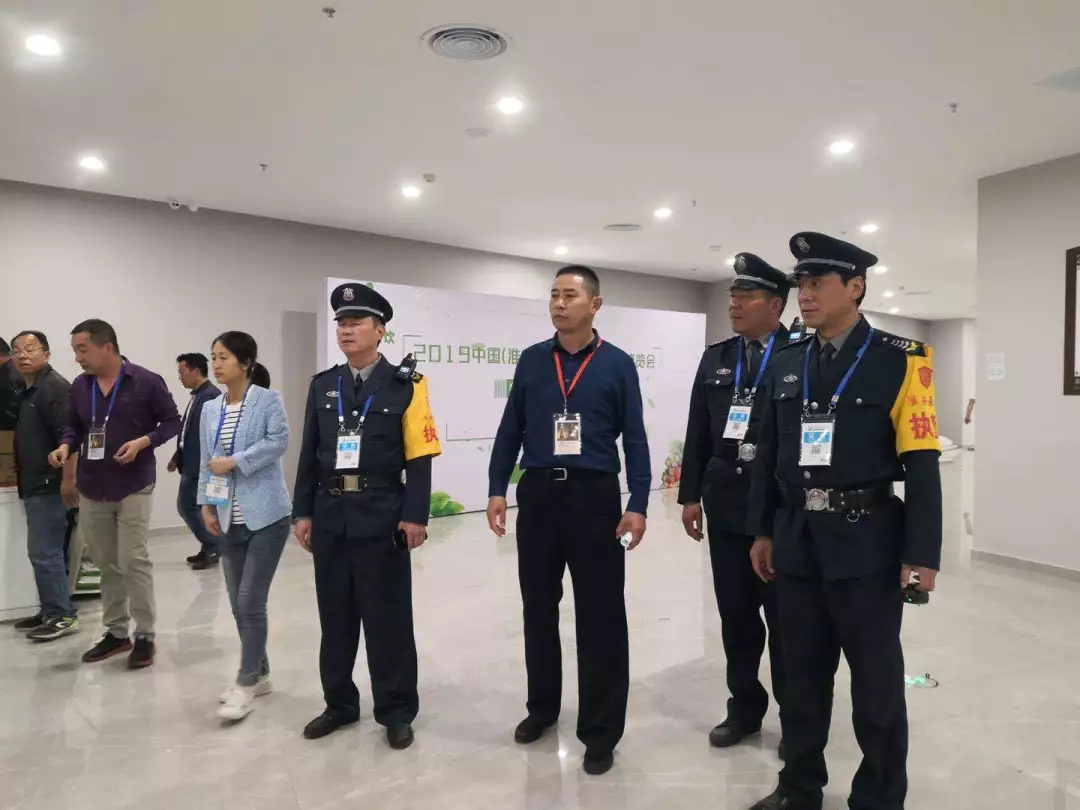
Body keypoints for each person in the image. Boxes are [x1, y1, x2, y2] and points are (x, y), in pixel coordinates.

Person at [746, 232, 942, 810]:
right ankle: (799, 788)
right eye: (800, 285)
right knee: (800, 680)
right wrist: (763, 530)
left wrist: (922, 556)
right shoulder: (787, 361)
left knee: (876, 687)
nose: (804, 295)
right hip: (797, 541)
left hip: (868, 545)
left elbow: (922, 464)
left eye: (817, 283)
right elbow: (767, 454)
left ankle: (879, 797)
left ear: (855, 287)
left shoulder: (902, 360)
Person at [486, 265, 651, 776]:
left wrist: (638, 501)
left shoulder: (617, 364)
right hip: (538, 493)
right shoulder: (533, 360)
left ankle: (600, 731)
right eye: (554, 295)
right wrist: (497, 487)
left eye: (570, 295)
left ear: (594, 305)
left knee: (601, 615)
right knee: (537, 607)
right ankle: (542, 708)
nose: (559, 303)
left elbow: (636, 436)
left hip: (594, 497)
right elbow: (510, 427)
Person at [292, 283, 441, 749]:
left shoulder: (407, 385)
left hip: (382, 516)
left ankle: (396, 710)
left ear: (380, 331)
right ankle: (339, 704)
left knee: (387, 619)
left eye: (356, 322)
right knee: (335, 618)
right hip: (330, 516)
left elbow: (420, 457)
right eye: (341, 322)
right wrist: (302, 511)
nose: (346, 329)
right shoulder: (323, 385)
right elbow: (309, 454)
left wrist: (415, 515)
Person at [678, 254, 791, 755]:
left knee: (786, 623)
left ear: (776, 305)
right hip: (725, 504)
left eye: (746, 297)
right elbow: (698, 429)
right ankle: (744, 708)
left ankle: (796, 718)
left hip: (778, 510)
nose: (734, 305)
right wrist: (689, 495)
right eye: (732, 297)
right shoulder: (717, 358)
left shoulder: (799, 354)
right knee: (736, 616)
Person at [49, 319, 181, 669]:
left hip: (134, 484)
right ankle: (117, 632)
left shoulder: (146, 381)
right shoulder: (81, 386)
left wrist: (144, 442)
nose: (77, 357)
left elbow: (172, 422)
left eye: (82, 349)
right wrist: (65, 447)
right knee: (106, 562)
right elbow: (74, 427)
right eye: (75, 350)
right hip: (93, 486)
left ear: (107, 346)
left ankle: (145, 634)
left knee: (133, 559)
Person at [196, 332, 291, 721]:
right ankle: (261, 672)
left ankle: (246, 682)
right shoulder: (210, 408)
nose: (216, 365)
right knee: (238, 605)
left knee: (251, 601)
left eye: (223, 357)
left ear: (246, 362)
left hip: (267, 515)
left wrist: (236, 461)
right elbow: (206, 458)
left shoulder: (268, 400)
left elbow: (278, 441)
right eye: (213, 357)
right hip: (226, 516)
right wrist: (206, 502)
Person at [10, 331, 80, 641]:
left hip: (50, 485)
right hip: (35, 484)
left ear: (46, 354)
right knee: (45, 553)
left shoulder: (54, 387)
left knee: (45, 553)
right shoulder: (28, 389)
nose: (22, 355)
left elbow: (71, 436)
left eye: (30, 349)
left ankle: (63, 615)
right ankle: (51, 609)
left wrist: (68, 480)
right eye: (17, 351)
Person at [169, 352, 222, 569]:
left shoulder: (211, 396)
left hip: (200, 467)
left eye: (182, 372)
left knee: (187, 506)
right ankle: (210, 546)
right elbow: (189, 431)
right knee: (194, 507)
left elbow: (211, 436)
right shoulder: (198, 395)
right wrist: (177, 456)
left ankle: (214, 546)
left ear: (196, 370)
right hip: (191, 463)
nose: (180, 377)